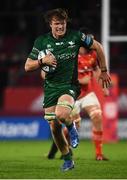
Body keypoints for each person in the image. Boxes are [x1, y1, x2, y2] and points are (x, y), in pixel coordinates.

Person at [25, 8, 111, 171]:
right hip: (51, 89)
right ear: (50, 24)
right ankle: (67, 159)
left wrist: (104, 70)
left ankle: (72, 128)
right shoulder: (41, 41)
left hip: (69, 86)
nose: (60, 27)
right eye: (57, 24)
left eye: (63, 23)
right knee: (54, 127)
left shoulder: (76, 36)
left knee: (62, 115)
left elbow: (98, 46)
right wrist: (43, 61)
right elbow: (28, 66)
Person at [46, 47, 109, 161]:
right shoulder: (69, 55)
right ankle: (59, 146)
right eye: (89, 41)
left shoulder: (93, 56)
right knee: (75, 125)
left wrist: (103, 87)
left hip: (87, 94)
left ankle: (99, 154)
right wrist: (79, 81)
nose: (92, 45)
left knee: (97, 116)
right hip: (72, 95)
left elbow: (96, 70)